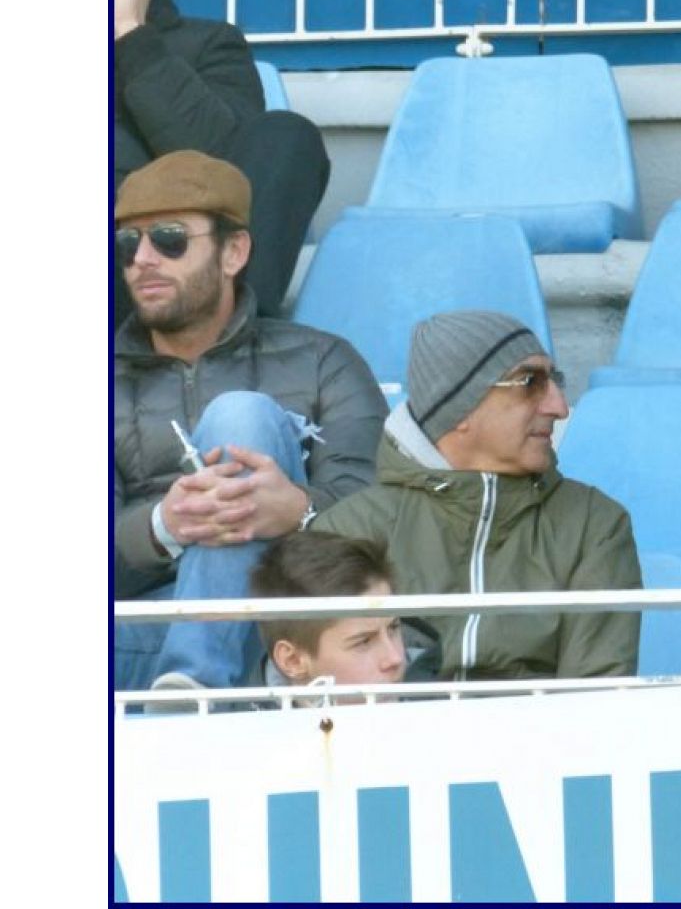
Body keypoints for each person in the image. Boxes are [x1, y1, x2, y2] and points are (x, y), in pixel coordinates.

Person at [114, 151, 386, 692]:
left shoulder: (323, 361)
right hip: (144, 630)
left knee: (241, 414)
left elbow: (387, 518)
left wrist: (300, 512)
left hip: (293, 628)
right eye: (127, 243)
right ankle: (193, 682)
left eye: (169, 239)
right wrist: (163, 526)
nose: (143, 259)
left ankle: (196, 685)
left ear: (234, 251)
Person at [314, 311, 642, 681]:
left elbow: (597, 697)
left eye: (555, 381)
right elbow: (328, 690)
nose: (559, 407)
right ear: (459, 408)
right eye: (529, 382)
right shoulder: (346, 530)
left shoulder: (593, 524)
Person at [114, 0, 331, 319]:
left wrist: (132, 37)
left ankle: (226, 337)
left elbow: (221, 171)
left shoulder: (210, 44)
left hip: (186, 274)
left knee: (286, 136)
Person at [249, 530, 407, 695]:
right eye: (363, 642)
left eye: (394, 627)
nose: (395, 658)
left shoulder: (424, 676)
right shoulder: (238, 712)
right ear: (293, 661)